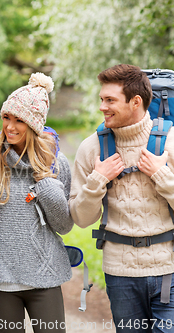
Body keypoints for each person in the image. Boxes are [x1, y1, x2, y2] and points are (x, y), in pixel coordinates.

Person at [69, 64, 174, 332]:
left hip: (168, 271)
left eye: (110, 100)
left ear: (136, 101)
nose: (102, 107)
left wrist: (161, 175)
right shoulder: (91, 148)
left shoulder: (170, 142)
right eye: (101, 99)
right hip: (120, 275)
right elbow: (81, 219)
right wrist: (98, 180)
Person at [0, 73, 74, 333]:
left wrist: (45, 181)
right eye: (6, 117)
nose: (10, 127)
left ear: (35, 124)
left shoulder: (57, 164)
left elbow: (63, 225)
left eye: (20, 120)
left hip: (45, 278)